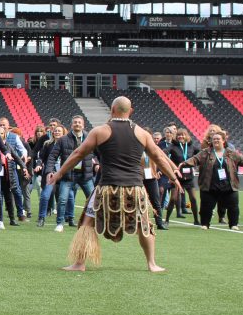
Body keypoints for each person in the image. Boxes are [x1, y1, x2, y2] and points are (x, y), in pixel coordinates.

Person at [51, 96, 182, 273]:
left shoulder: (100, 131)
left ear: (112, 110)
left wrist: (59, 173)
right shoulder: (142, 133)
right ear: (131, 111)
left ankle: (79, 264)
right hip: (135, 188)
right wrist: (174, 178)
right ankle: (152, 263)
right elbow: (158, 157)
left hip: (106, 187)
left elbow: (78, 153)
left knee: (87, 223)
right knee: (144, 224)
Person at [182, 129, 243, 231]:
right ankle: (205, 224)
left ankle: (233, 224)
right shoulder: (205, 153)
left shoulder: (231, 153)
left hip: (229, 186)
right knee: (206, 207)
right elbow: (194, 159)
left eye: (218, 139)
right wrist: (184, 164)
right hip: (210, 186)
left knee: (233, 206)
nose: (216, 141)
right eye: (214, 139)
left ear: (223, 140)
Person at [46, 115, 97, 233]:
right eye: (75, 122)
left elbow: (98, 153)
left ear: (83, 125)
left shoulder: (90, 137)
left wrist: (98, 164)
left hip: (86, 175)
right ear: (71, 125)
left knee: (94, 200)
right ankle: (59, 224)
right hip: (69, 175)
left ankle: (95, 223)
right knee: (62, 199)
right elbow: (53, 156)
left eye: (79, 122)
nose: (77, 124)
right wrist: (49, 171)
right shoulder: (63, 140)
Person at [165, 128, 200, 225]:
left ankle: (196, 220)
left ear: (186, 136)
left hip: (189, 177)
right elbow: (164, 153)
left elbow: (201, 154)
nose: (180, 136)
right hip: (177, 177)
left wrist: (196, 164)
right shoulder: (173, 146)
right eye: (179, 135)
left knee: (193, 198)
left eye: (183, 135)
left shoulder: (192, 147)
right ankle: (167, 220)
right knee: (173, 198)